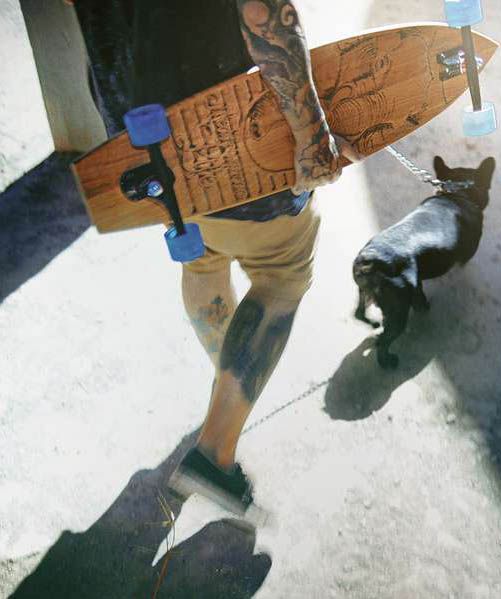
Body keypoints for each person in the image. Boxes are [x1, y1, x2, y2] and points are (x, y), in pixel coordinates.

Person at [70, 0, 347, 513]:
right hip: (227, 128)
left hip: (142, 135)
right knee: (282, 277)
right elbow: (261, 9)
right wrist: (312, 133)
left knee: (201, 255)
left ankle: (229, 382)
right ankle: (214, 454)